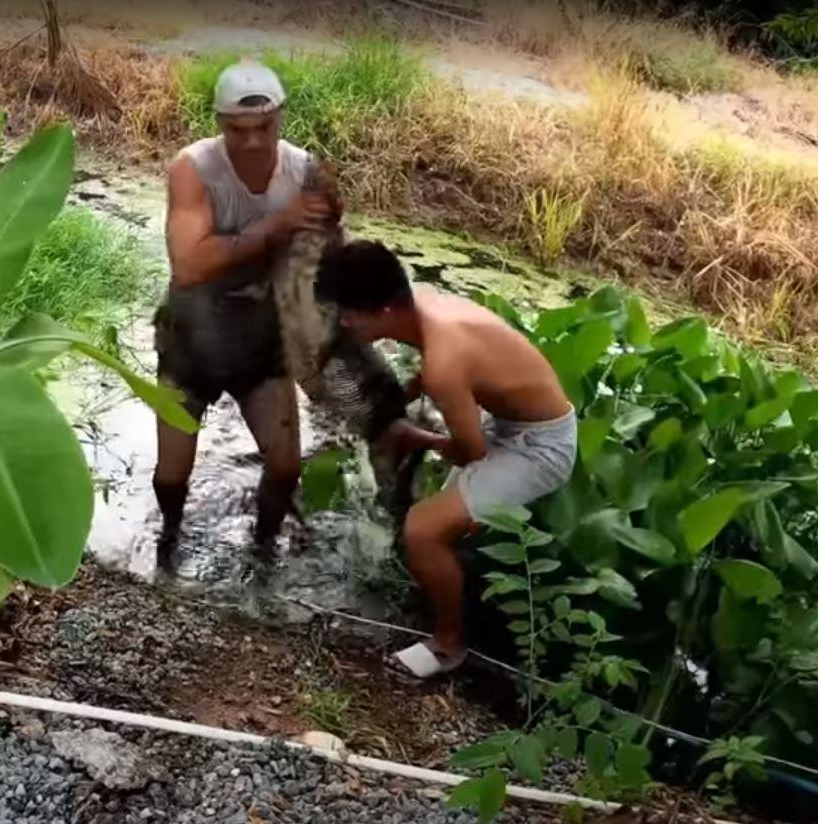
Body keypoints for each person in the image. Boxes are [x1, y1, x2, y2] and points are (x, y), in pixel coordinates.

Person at [315, 240, 578, 678]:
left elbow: (473, 451)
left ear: (383, 313)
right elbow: (442, 380)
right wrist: (403, 398)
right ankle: (457, 587)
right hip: (516, 422)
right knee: (443, 521)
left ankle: (449, 645)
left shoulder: (444, 360)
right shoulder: (424, 306)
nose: (342, 322)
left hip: (542, 448)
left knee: (422, 530)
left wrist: (414, 438)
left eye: (349, 313)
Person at [153, 59, 333, 570]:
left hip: (260, 340)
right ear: (219, 124)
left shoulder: (305, 171)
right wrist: (277, 226)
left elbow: (319, 259)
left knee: (284, 466)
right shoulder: (195, 168)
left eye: (264, 128)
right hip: (192, 335)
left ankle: (263, 549)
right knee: (171, 476)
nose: (252, 142)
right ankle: (167, 542)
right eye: (238, 130)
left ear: (281, 118)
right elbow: (189, 265)